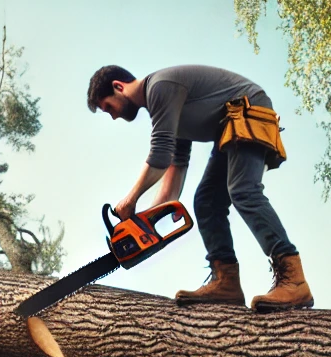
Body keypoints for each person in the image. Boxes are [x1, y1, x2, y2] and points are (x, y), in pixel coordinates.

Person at [87, 63, 313, 311]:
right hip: (229, 126)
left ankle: (293, 279)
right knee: (206, 200)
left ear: (119, 87)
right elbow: (175, 165)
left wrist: (130, 200)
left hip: (248, 110)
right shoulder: (165, 106)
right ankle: (226, 282)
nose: (113, 115)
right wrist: (145, 222)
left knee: (243, 190)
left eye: (108, 107)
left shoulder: (160, 87)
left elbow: (159, 155)